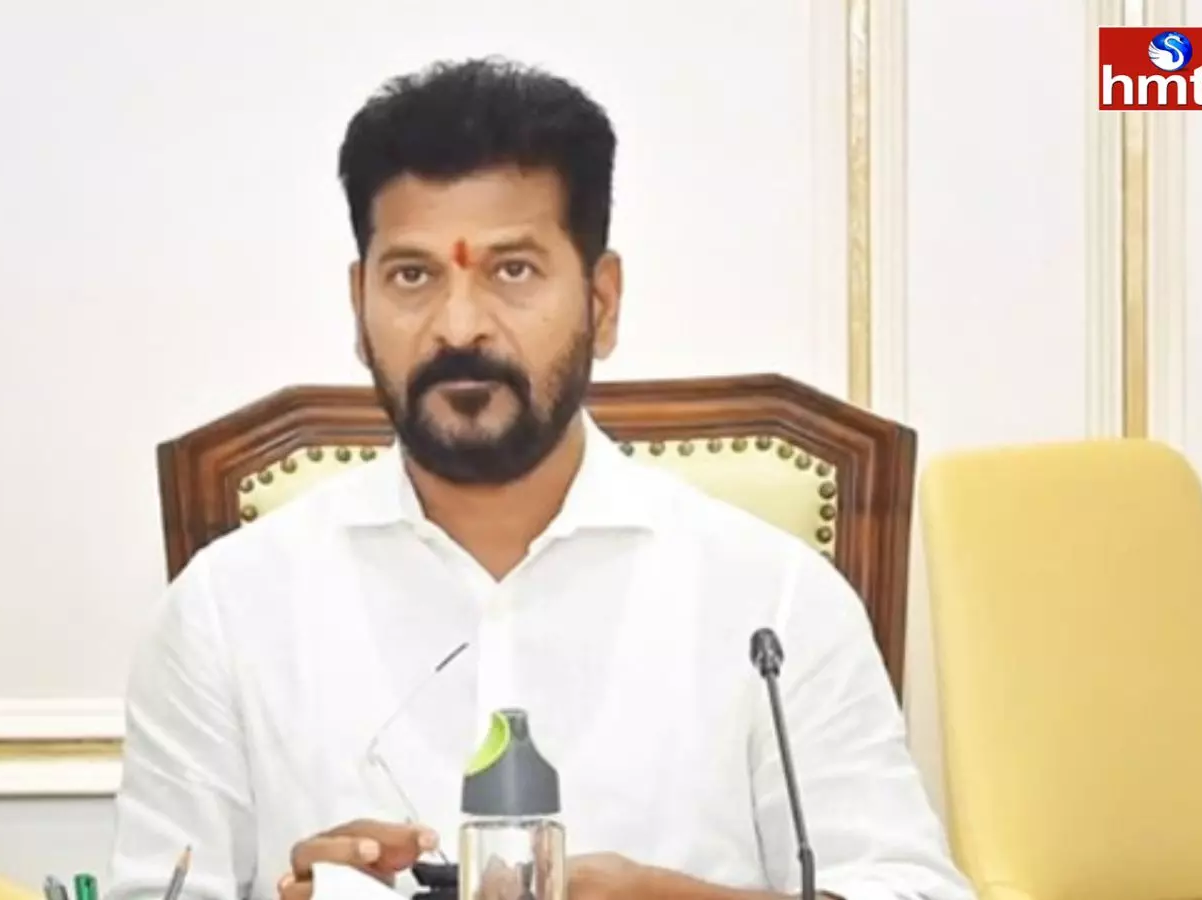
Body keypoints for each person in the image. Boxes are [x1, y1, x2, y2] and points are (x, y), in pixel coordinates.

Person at [105, 57, 974, 900]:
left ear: (602, 302)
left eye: (512, 271)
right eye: (412, 276)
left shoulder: (773, 604)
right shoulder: (224, 612)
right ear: (359, 307)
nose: (459, 327)